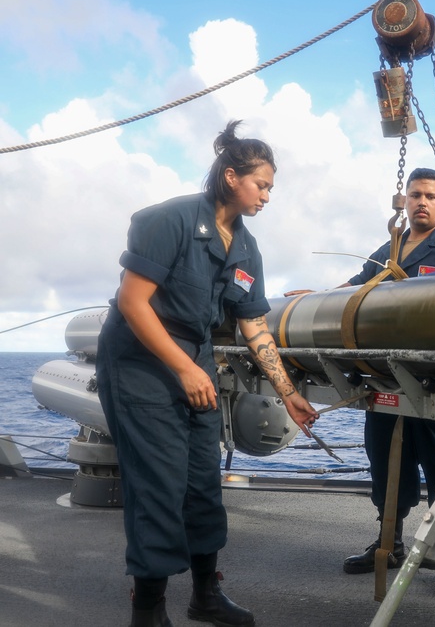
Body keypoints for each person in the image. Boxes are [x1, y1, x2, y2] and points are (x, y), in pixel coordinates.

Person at [96, 120, 320, 627]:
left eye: (270, 188)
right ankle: (148, 608)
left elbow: (255, 326)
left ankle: (205, 595)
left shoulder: (246, 248)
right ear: (230, 177)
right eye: (261, 185)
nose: (267, 196)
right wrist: (181, 368)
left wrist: (288, 394)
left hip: (192, 355)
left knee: (202, 480)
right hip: (139, 359)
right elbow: (134, 302)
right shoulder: (169, 220)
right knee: (158, 483)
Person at [340, 167, 435, 597]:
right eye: (415, 194)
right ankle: (389, 543)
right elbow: (359, 286)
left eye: (431, 196)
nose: (421, 202)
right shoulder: (392, 245)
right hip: (387, 377)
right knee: (385, 465)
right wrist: (316, 296)